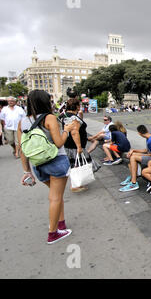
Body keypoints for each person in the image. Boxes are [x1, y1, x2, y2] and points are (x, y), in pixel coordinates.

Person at [18, 90, 76, 244]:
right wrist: (66, 131)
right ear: (45, 101)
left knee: (56, 196)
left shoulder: (23, 122)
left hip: (38, 165)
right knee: (55, 197)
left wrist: (26, 171)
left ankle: (61, 223)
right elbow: (59, 143)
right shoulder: (49, 118)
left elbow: (22, 150)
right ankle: (53, 233)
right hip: (56, 161)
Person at [59, 98, 101, 192]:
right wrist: (79, 147)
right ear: (77, 106)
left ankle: (76, 184)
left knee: (76, 164)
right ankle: (75, 185)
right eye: (79, 105)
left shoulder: (64, 115)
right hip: (75, 145)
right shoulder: (74, 118)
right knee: (81, 164)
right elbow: (74, 132)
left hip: (68, 144)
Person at [119, 126, 151, 192]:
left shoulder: (150, 141)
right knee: (133, 155)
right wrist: (134, 150)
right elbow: (147, 150)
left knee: (133, 157)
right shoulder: (150, 136)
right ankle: (133, 177)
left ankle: (133, 182)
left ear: (139, 133)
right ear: (147, 129)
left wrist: (137, 155)